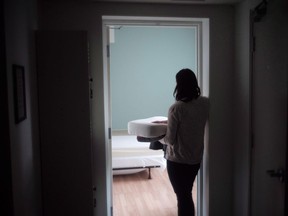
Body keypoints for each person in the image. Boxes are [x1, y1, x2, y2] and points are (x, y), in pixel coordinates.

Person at [156, 68, 209, 216]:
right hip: (195, 159)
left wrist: (156, 138)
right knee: (186, 194)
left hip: (177, 161)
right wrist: (168, 121)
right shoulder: (205, 103)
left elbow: (170, 140)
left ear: (178, 85)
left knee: (183, 196)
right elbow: (191, 121)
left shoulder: (176, 108)